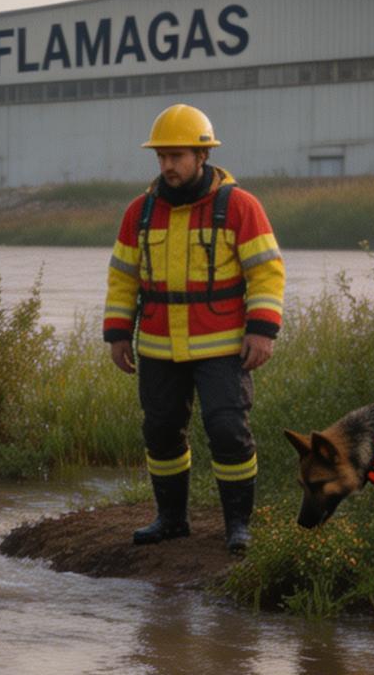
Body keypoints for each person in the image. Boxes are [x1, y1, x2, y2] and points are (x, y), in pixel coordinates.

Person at [104, 105, 286, 552]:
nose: (168, 166)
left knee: (228, 431)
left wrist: (262, 330)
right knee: (161, 431)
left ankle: (238, 527)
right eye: (161, 157)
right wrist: (117, 333)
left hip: (223, 348)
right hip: (160, 349)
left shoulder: (240, 207)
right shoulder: (139, 213)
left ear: (202, 156)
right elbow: (123, 277)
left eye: (177, 156)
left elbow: (266, 272)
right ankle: (170, 520)